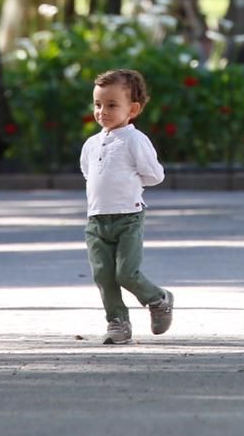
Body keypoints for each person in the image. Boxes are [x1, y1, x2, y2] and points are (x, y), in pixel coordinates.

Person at [80, 68, 174, 346]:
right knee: (103, 275)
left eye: (111, 105)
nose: (102, 111)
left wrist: (131, 183)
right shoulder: (91, 144)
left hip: (128, 217)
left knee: (126, 273)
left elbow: (155, 175)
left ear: (132, 109)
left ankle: (158, 299)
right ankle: (117, 322)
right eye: (98, 104)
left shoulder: (134, 140)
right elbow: (90, 174)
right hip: (96, 220)